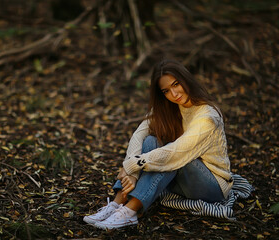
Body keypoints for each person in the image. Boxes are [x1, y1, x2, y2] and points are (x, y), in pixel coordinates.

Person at [83, 58, 238, 230]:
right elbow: (139, 134)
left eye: (176, 84)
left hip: (211, 187)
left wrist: (132, 164)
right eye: (166, 91)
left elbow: (176, 152)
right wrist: (131, 172)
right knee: (151, 140)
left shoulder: (208, 117)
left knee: (171, 153)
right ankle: (118, 202)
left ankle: (130, 212)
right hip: (181, 182)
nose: (174, 94)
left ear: (186, 80)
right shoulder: (169, 107)